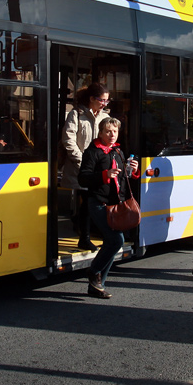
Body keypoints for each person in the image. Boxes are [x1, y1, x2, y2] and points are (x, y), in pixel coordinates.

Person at [78, 116, 139, 299]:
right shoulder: (93, 152)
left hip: (115, 204)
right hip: (98, 203)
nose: (112, 135)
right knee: (116, 240)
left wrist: (132, 170)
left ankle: (97, 285)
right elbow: (83, 178)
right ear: (101, 133)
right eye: (108, 131)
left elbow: (122, 178)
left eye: (115, 131)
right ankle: (93, 271)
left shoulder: (118, 150)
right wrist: (105, 174)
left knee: (111, 244)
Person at [61, 82, 110, 251]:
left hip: (100, 169)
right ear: (91, 99)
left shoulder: (105, 118)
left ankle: (92, 234)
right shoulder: (76, 114)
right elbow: (69, 140)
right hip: (81, 169)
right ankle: (85, 237)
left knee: (96, 201)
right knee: (89, 201)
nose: (104, 104)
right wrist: (82, 162)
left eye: (106, 101)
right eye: (102, 100)